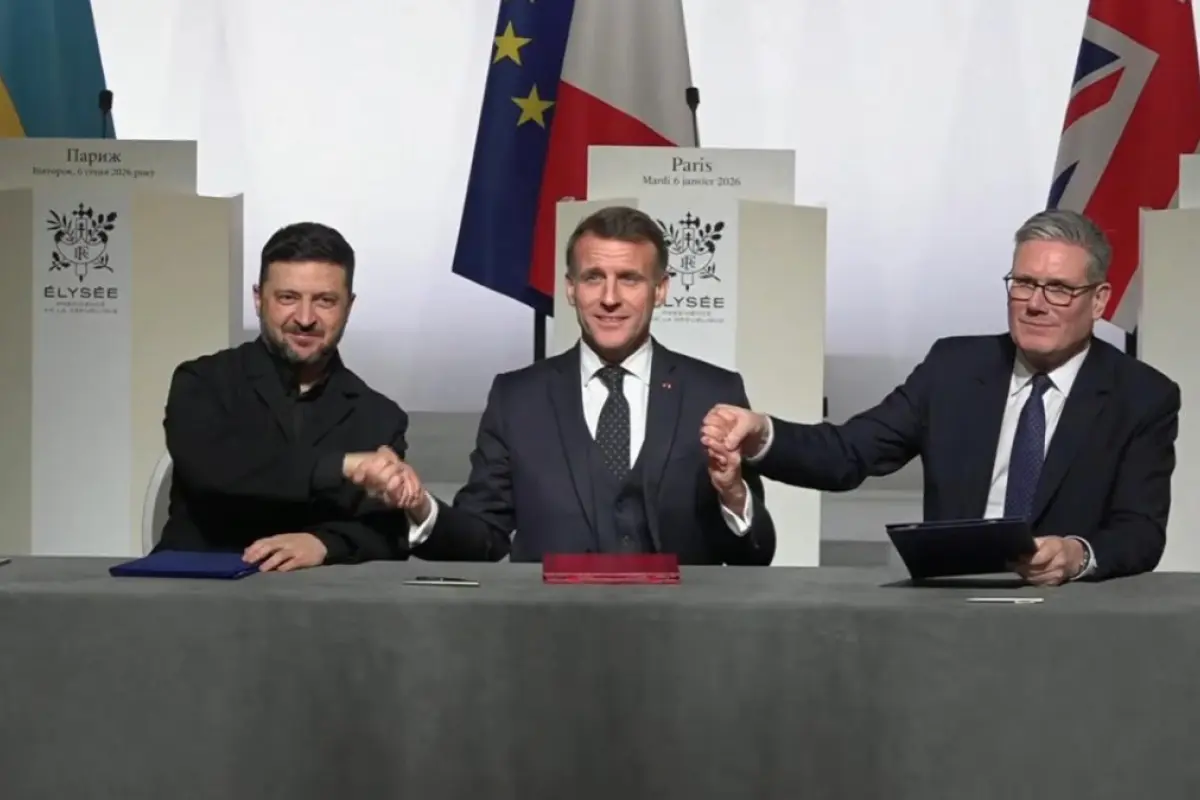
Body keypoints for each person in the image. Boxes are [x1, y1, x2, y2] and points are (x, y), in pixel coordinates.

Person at [702, 208, 1180, 584]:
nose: (1035, 304)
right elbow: (847, 454)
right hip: (953, 610)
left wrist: (1077, 555)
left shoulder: (1141, 396)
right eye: (1023, 284)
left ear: (1099, 300)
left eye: (1058, 289)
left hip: (1071, 616)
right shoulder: (953, 369)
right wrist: (762, 434)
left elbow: (1140, 531)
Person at [349, 205, 776, 564]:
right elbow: (481, 539)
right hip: (549, 631)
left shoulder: (713, 392)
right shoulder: (517, 398)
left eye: (629, 278)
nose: (610, 297)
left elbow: (755, 554)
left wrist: (734, 494)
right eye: (593, 277)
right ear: (571, 289)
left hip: (683, 629)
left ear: (660, 290)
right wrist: (420, 506)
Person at [158, 222, 435, 570]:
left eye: (325, 301)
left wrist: (324, 544)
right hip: (193, 587)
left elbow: (385, 530)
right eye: (288, 298)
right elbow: (216, 469)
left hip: (319, 598)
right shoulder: (202, 382)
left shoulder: (380, 416)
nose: (305, 318)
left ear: (349, 306)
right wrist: (342, 466)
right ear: (258, 299)